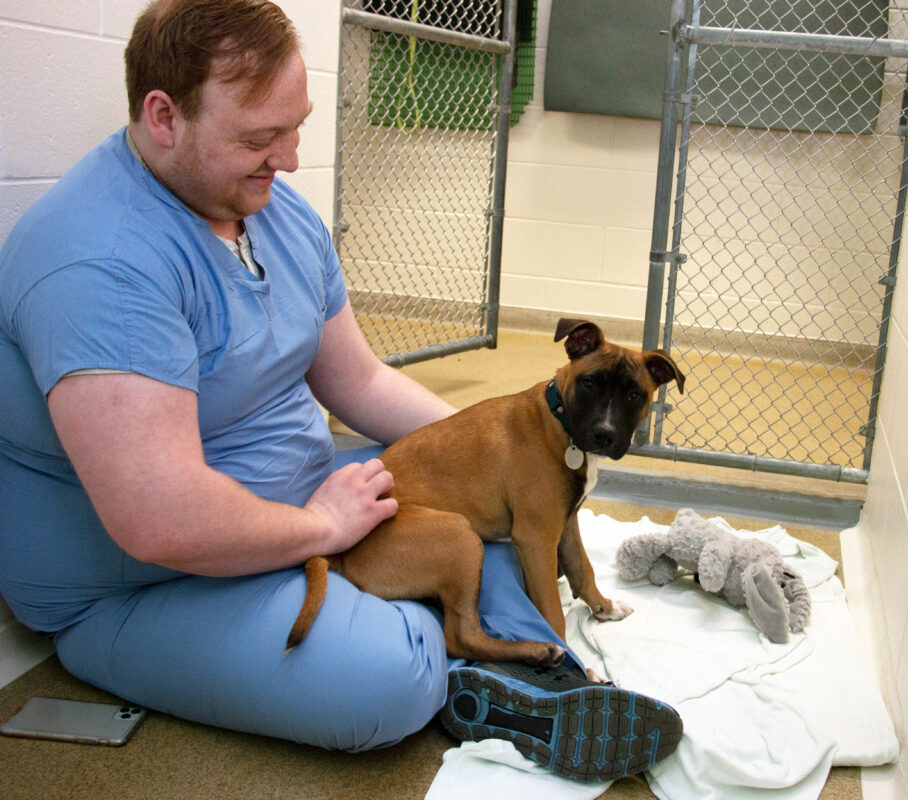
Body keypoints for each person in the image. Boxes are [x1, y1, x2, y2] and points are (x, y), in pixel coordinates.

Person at [0, 0, 679, 781]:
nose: (289, 159)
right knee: (383, 685)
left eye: (296, 128)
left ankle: (494, 654)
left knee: (514, 532)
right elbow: (162, 521)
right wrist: (321, 525)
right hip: (150, 583)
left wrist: (522, 453)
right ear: (163, 117)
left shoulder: (270, 211)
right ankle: (475, 667)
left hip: (313, 509)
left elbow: (356, 381)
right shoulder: (103, 263)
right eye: (260, 138)